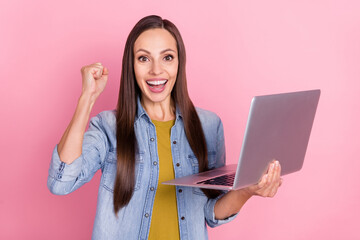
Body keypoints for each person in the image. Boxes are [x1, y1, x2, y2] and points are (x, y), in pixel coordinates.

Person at [47, 15, 282, 240]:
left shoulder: (210, 126)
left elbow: (211, 211)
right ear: (131, 66)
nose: (156, 71)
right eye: (144, 58)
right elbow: (61, 183)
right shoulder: (108, 127)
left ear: (179, 62)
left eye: (167, 57)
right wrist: (87, 98)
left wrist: (247, 190)